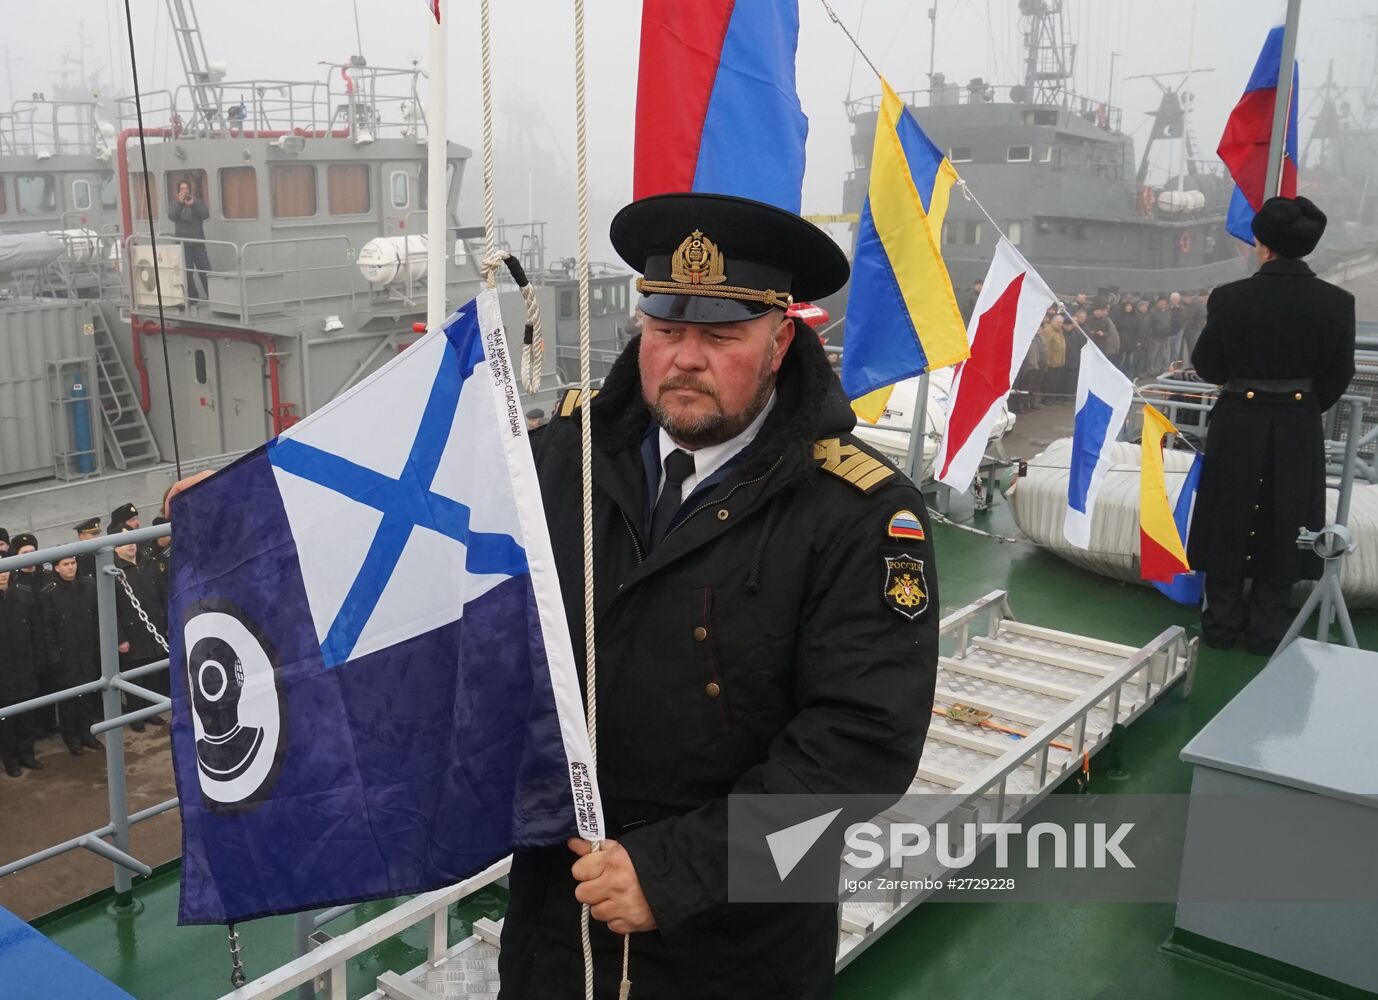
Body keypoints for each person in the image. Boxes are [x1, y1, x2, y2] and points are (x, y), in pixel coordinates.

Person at [498, 193, 939, 999]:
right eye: (666, 330)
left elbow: (860, 751)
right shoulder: (567, 455)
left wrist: (672, 873)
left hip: (734, 944)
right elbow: (431, 519)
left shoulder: (858, 514)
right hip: (556, 915)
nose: (684, 358)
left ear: (779, 343)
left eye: (721, 335)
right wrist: (260, 516)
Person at [1189, 196, 1355, 655]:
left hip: (1238, 420)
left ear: (1262, 245)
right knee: (1286, 519)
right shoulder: (1338, 303)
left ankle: (1220, 626)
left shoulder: (1230, 298)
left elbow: (1207, 366)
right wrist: (1301, 404)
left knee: (1227, 514)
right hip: (1299, 423)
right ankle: (1266, 632)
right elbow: (1339, 374)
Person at [38, 556, 103, 755]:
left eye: (73, 563)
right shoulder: (49, 593)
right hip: (65, 655)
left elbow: (96, 618)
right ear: (56, 568)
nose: (71, 568)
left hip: (87, 651)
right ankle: (71, 737)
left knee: (87, 696)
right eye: (65, 565)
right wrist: (54, 657)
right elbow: (46, 629)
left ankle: (86, 732)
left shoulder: (89, 585)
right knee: (68, 700)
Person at [110, 525, 169, 731]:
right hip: (132, 634)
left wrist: (167, 625)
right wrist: (119, 638)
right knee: (135, 677)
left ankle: (152, 711)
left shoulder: (150, 564)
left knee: (153, 673)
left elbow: (163, 596)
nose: (131, 545)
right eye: (126, 542)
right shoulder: (113, 572)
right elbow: (110, 610)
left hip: (155, 630)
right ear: (115, 547)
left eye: (133, 540)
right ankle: (137, 717)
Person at [9, 533, 57, 736]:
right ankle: (36, 726)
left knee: (50, 684)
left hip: (50, 638)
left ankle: (49, 721)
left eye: (32, 552)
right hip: (28, 642)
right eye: (24, 553)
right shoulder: (16, 583)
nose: (29, 556)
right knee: (32, 687)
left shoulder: (47, 577)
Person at [0, 562, 44, 776]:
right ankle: (11, 760)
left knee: (27, 714)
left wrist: (37, 659)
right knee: (6, 720)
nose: (2, 575)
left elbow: (36, 628)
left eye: (4, 569)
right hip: (3, 670)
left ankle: (28, 754)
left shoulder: (23, 595)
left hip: (25, 665)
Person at [170, 178, 211, 301]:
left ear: (190, 190)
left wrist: (193, 204)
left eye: (186, 188)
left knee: (206, 272)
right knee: (187, 274)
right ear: (178, 191)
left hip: (197, 243)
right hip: (184, 244)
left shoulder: (197, 202)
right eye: (182, 189)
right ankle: (193, 299)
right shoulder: (174, 204)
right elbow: (172, 216)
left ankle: (213, 298)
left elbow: (205, 215)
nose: (184, 191)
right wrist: (179, 203)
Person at [74, 517, 101, 582]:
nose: (98, 537)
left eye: (98, 533)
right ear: (82, 536)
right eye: (94, 534)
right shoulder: (78, 558)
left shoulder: (102, 552)